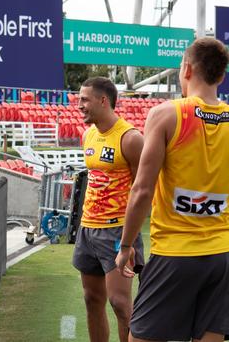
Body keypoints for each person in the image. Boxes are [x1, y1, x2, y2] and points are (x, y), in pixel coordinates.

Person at [116, 37, 229, 342]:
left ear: (186, 70)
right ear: (222, 76)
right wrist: (218, 229)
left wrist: (126, 245)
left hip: (174, 255)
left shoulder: (166, 114)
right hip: (224, 257)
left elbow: (142, 190)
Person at [72, 77, 145, 342]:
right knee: (92, 299)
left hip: (117, 232)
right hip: (88, 229)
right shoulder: (88, 134)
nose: (79, 105)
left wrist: (130, 238)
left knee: (120, 304)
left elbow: (142, 192)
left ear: (103, 101)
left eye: (84, 100)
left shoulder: (131, 138)